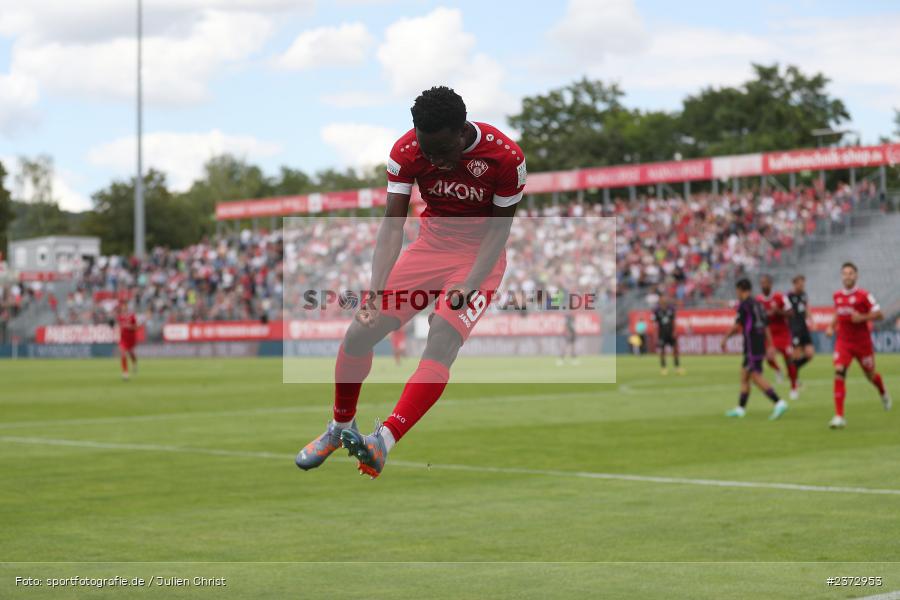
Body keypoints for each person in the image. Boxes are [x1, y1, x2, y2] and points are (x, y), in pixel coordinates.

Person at [296, 86, 526, 478]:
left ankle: (382, 441)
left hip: (478, 257)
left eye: (441, 151)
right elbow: (392, 224)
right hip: (429, 247)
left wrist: (468, 286)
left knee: (441, 338)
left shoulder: (505, 157)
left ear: (460, 132)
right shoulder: (406, 152)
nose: (433, 160)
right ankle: (339, 428)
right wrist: (375, 291)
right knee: (357, 334)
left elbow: (497, 233)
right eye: (426, 149)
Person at [825, 262, 892, 428]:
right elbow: (837, 312)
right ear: (841, 276)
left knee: (870, 376)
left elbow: (880, 315)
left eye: (850, 273)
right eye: (845, 273)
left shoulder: (864, 295)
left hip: (862, 343)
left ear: (856, 276)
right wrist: (831, 326)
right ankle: (839, 416)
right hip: (844, 342)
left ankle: (883, 393)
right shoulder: (837, 296)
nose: (847, 276)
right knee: (839, 371)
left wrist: (862, 318)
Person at [722, 279, 789, 420]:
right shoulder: (758, 304)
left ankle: (779, 402)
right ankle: (740, 408)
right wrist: (770, 344)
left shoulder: (744, 305)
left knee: (755, 375)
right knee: (744, 375)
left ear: (740, 290)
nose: (737, 294)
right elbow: (766, 326)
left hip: (752, 344)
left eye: (737, 291)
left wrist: (725, 338)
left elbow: (737, 326)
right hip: (758, 343)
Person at [757, 274, 797, 392]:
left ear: (771, 284)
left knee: (789, 359)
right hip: (769, 334)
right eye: (762, 283)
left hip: (783, 333)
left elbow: (791, 313)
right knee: (769, 358)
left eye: (766, 283)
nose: (763, 285)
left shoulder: (780, 297)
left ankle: (793, 386)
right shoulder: (758, 300)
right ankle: (778, 369)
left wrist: (778, 312)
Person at [787, 275, 814, 398]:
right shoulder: (788, 296)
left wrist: (811, 320)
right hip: (794, 329)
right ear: (794, 283)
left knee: (809, 354)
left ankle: (792, 372)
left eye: (803, 283)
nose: (802, 285)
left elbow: (807, 308)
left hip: (804, 328)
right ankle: (794, 382)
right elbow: (785, 312)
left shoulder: (804, 295)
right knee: (796, 355)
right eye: (800, 283)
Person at [652, 295, 683, 375]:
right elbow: (654, 323)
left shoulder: (671, 309)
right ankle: (663, 368)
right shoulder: (656, 310)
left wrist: (674, 331)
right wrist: (655, 333)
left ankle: (677, 367)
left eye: (665, 298)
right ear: (660, 300)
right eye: (662, 299)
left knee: (675, 350)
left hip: (671, 332)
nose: (664, 300)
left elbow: (673, 320)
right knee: (662, 351)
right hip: (662, 333)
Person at [114, 302, 138, 381]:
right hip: (123, 339)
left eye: (125, 306)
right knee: (123, 354)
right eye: (122, 307)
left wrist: (129, 326)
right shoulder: (119, 317)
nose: (123, 308)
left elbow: (136, 327)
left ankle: (134, 363)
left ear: (127, 307)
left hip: (131, 338)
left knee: (131, 353)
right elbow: (117, 326)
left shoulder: (132, 316)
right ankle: (125, 373)